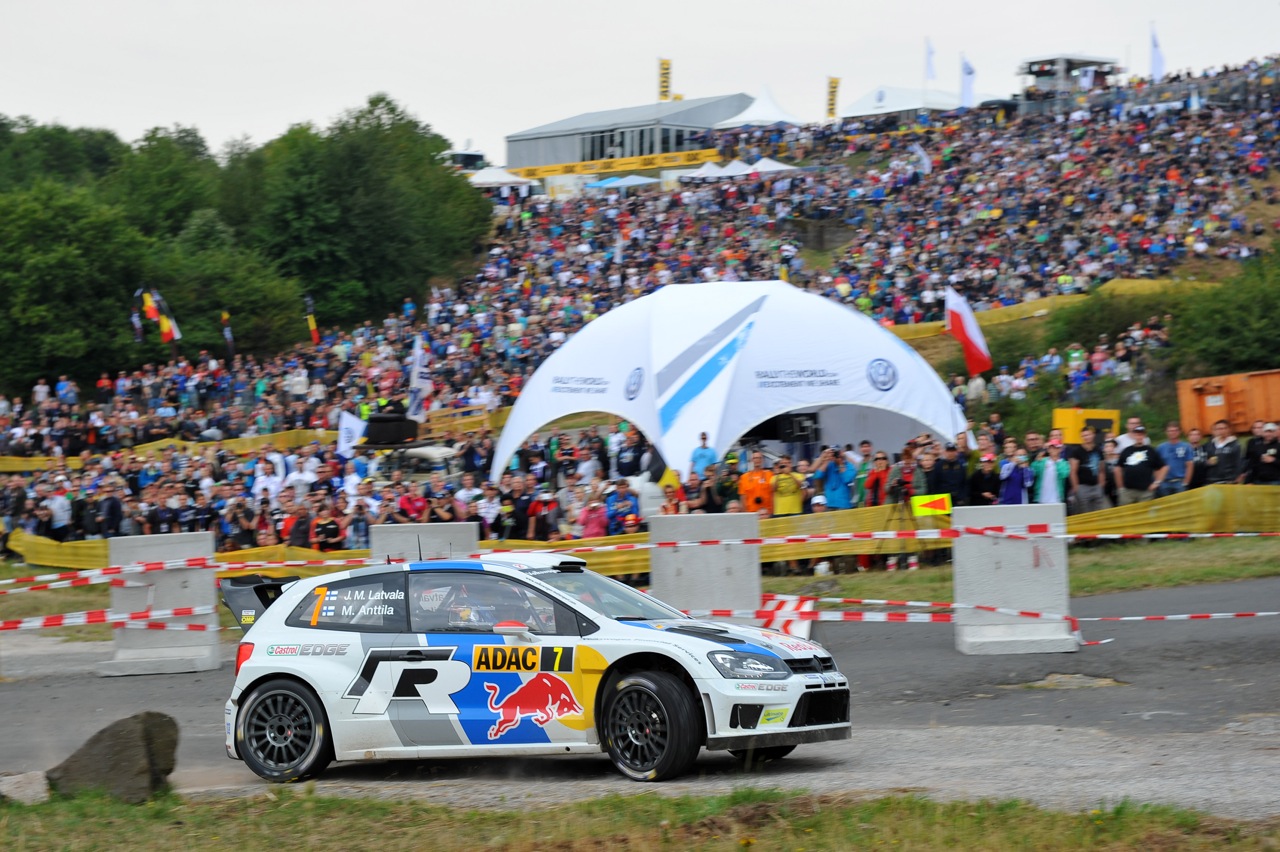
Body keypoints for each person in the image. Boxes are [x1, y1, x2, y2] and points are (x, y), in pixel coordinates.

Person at [1115, 427, 1167, 505]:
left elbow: (1164, 468)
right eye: (1137, 435)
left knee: (1145, 515)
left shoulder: (1151, 451)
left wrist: (1156, 483)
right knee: (1126, 514)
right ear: (1134, 436)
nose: (1139, 437)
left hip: (1145, 492)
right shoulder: (1126, 450)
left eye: (1141, 435)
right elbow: (1118, 468)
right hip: (1128, 491)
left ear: (1144, 436)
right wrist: (1121, 487)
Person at [1066, 426, 1106, 514]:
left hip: (1096, 486)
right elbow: (1073, 472)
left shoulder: (1098, 450)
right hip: (1082, 487)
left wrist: (1101, 486)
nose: (1086, 437)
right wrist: (1077, 489)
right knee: (1084, 513)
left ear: (1093, 435)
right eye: (1083, 436)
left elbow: (1101, 470)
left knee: (1097, 513)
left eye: (1088, 435)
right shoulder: (1077, 451)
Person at [1155, 422, 1195, 497]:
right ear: (1166, 432)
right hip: (1165, 483)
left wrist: (1186, 482)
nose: (1173, 433)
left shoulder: (1186, 446)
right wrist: (1158, 481)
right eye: (1170, 431)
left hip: (1179, 482)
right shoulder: (1160, 448)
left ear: (1179, 432)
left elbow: (1190, 465)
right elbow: (1156, 466)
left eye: (1175, 430)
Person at [1203, 419, 1246, 485]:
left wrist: (1239, 475)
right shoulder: (1209, 445)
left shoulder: (1235, 445)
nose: (1221, 431)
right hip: (1212, 480)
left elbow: (1239, 461)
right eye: (1218, 429)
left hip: (1229, 480)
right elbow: (1203, 460)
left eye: (1223, 428)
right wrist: (1208, 462)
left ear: (1228, 429)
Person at [737, 451, 774, 517]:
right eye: (755, 458)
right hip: (751, 513)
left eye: (759, 458)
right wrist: (745, 514)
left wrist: (773, 511)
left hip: (766, 513)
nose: (757, 460)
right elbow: (743, 498)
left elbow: (773, 494)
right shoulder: (744, 477)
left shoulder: (769, 474)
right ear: (752, 460)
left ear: (762, 460)